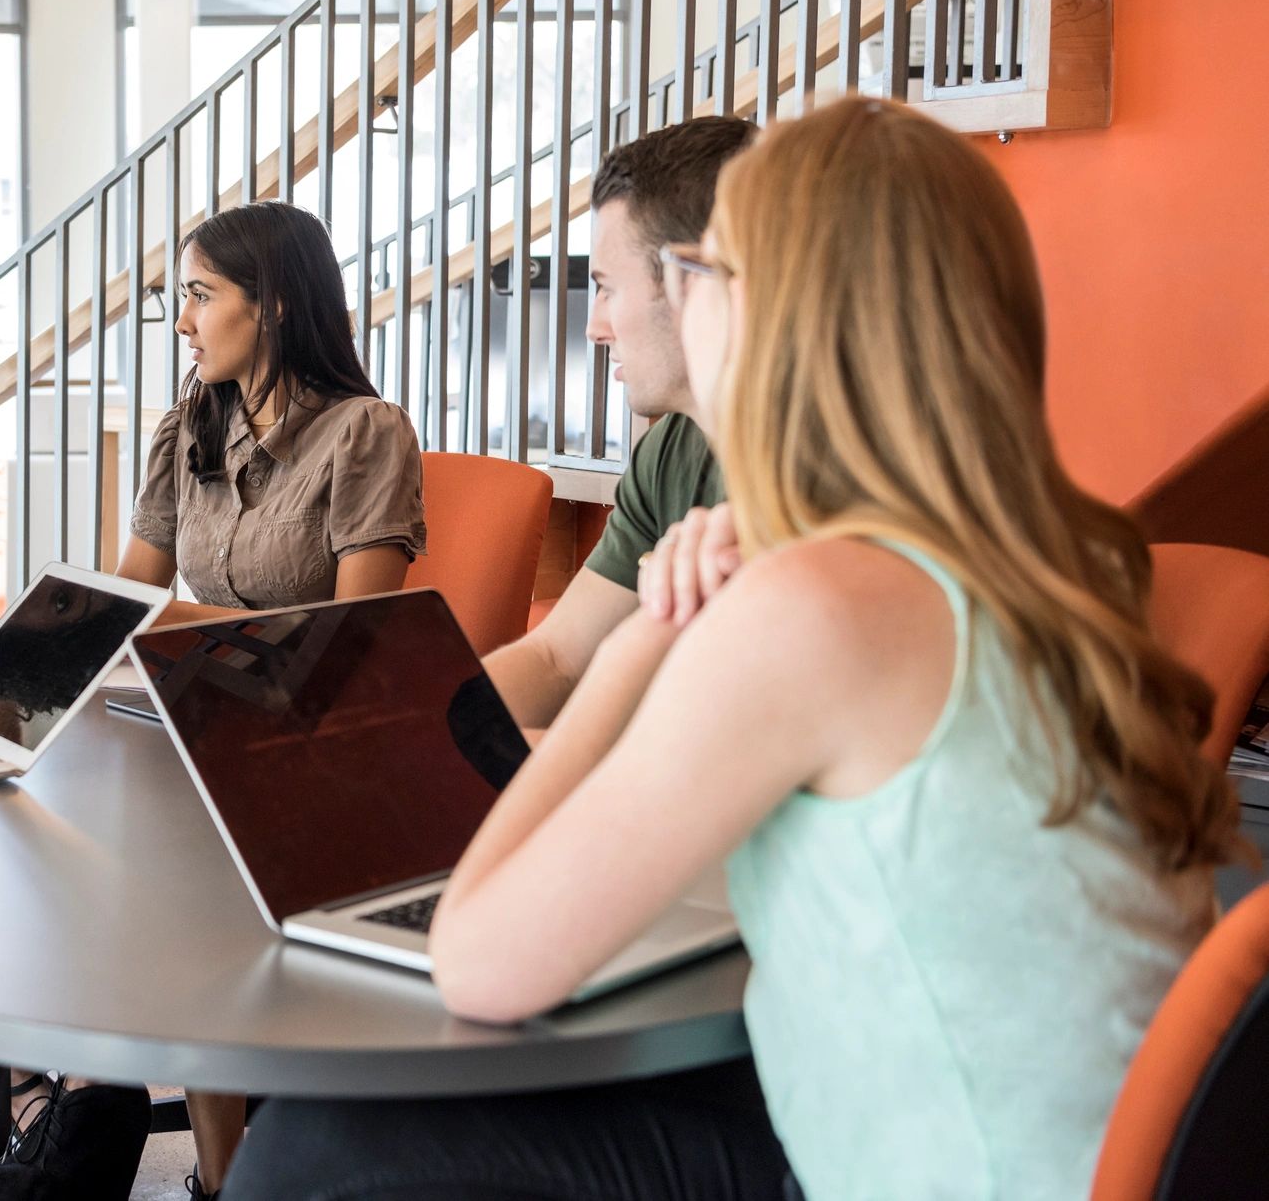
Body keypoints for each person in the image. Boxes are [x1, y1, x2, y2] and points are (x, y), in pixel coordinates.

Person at [223, 97, 1244, 1200]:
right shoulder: (1057, 564)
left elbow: (478, 960)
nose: (619, 312)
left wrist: (639, 655)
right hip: (1090, 1156)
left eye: (696, 270)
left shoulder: (808, 608)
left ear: (759, 309)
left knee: (317, 1145)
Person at [0, 200, 427, 1201]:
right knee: (41, 814)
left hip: (309, 739)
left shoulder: (365, 434)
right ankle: (105, 1103)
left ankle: (172, 1146)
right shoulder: (190, 423)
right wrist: (58, 636)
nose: (182, 320)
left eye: (199, 295)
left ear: (268, 305)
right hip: (194, 719)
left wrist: (172, 625)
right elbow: (131, 592)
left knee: (150, 853)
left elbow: (357, 646)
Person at [480, 115, 757, 740]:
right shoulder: (672, 445)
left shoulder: (837, 477)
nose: (593, 326)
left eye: (606, 288)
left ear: (693, 279)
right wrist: (426, 724)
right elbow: (557, 656)